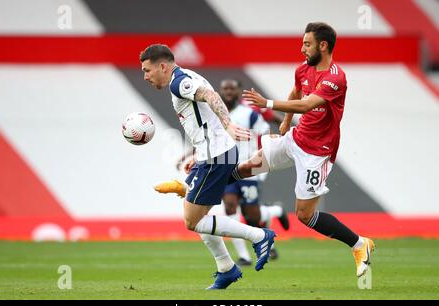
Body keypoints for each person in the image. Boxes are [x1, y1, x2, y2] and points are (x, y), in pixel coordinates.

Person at [239, 22, 375, 278]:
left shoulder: (336, 78)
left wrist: (267, 103)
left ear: (323, 46)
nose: (302, 49)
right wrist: (286, 120)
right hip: (296, 138)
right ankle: (205, 183)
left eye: (307, 44)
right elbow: (297, 91)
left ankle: (359, 244)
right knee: (249, 165)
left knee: (305, 215)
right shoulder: (303, 69)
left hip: (318, 152)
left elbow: (306, 105)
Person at [140, 44, 276, 289]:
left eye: (147, 70)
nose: (145, 77)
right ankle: (226, 268)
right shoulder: (189, 75)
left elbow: (210, 97)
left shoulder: (178, 82)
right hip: (212, 155)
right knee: (195, 211)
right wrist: (200, 153)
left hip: (216, 157)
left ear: (162, 66)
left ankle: (259, 236)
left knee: (193, 220)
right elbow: (204, 114)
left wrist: (228, 125)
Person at [164, 79, 290, 266]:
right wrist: (193, 157)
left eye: (232, 88)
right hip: (223, 165)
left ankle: (275, 211)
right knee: (230, 206)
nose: (228, 92)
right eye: (225, 89)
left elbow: (265, 134)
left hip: (249, 168)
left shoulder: (249, 114)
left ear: (238, 91)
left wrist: (261, 158)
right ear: (220, 92)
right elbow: (210, 141)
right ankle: (243, 256)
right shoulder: (215, 114)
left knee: (251, 215)